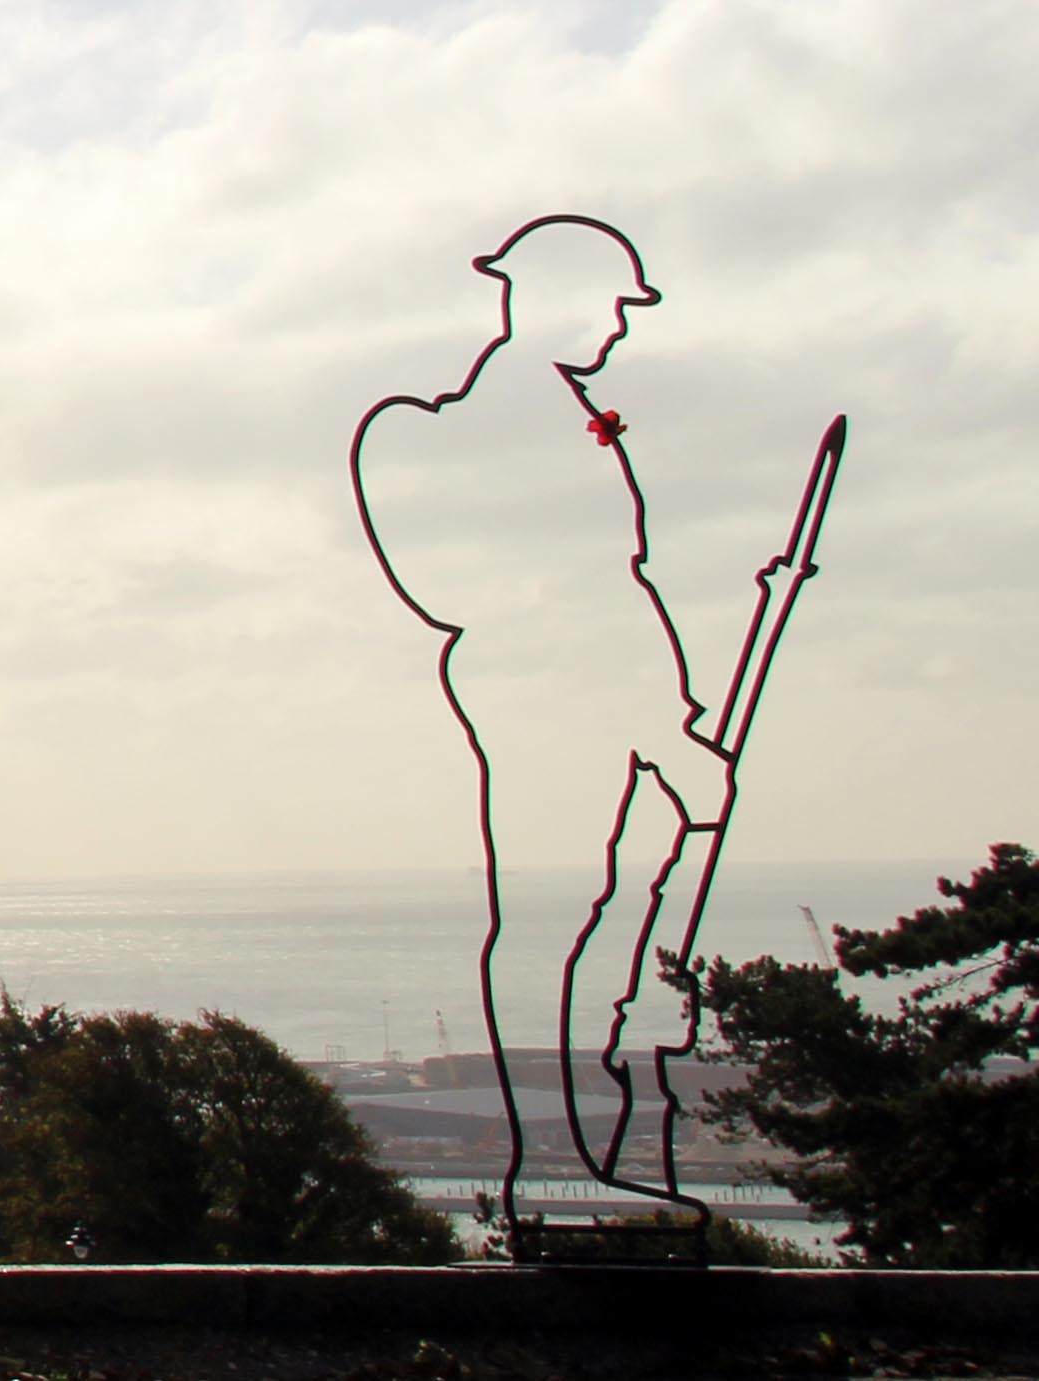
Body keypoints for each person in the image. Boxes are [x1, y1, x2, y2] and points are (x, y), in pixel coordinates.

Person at [347, 214, 844, 1223]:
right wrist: (668, 734)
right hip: (555, 710)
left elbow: (617, 589)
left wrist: (672, 721)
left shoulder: (564, 420)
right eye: (611, 303)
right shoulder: (459, 429)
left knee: (628, 930)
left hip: (626, 710)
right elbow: (563, 605)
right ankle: (570, 1162)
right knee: (558, 924)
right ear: (544, 298)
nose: (619, 325)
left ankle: (612, 1153)